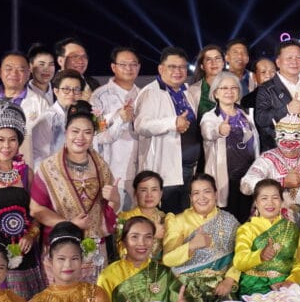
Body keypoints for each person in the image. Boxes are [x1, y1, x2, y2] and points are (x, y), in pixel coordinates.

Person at [0, 100, 52, 298]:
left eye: (12, 140)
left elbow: (37, 212)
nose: (6, 146)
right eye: (0, 140)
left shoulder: (26, 172)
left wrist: (31, 235)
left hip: (25, 254)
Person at [32, 100, 118, 283]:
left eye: (87, 132)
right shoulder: (49, 168)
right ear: (66, 133)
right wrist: (69, 224)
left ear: (94, 135)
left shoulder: (101, 166)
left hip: (94, 249)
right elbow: (36, 209)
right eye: (75, 131)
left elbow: (110, 207)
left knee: (93, 298)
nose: (81, 137)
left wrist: (115, 198)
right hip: (61, 248)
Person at [132, 47, 203, 213]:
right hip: (166, 170)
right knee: (168, 216)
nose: (178, 71)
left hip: (189, 168)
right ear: (161, 69)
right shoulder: (151, 92)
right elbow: (141, 125)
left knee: (185, 216)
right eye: (172, 67)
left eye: (182, 67)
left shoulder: (187, 91)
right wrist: (172, 122)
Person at [161, 174, 240, 302]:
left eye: (207, 192)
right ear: (191, 198)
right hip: (187, 286)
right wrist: (191, 245)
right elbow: (168, 260)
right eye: (196, 193)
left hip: (221, 285)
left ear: (216, 194)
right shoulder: (178, 221)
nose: (202, 197)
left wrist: (229, 280)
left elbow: (240, 255)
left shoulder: (229, 221)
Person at [223, 180, 300, 298]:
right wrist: (259, 256)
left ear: (282, 201)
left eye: (275, 198)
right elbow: (239, 262)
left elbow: (299, 263)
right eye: (264, 198)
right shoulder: (247, 229)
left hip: (284, 288)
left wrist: (291, 281)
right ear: (256, 202)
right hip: (253, 288)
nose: (270, 203)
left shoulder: (291, 228)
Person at [200, 71, 259, 226]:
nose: (229, 91)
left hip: (248, 176)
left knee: (246, 220)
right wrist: (219, 130)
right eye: (224, 88)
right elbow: (207, 132)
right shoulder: (210, 117)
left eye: (234, 88)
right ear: (215, 93)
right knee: (228, 221)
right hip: (226, 179)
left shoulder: (246, 114)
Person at [91, 47, 144, 209]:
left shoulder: (143, 95)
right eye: (123, 64)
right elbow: (96, 134)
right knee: (112, 217)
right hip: (111, 171)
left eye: (133, 64)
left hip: (138, 171)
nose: (129, 68)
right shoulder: (99, 96)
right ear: (113, 67)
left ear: (139, 67)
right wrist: (119, 119)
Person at [241, 114, 300, 224]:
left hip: (295, 219)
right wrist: (282, 182)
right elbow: (245, 186)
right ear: (276, 134)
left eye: (296, 135)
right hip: (265, 219)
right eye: (283, 134)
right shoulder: (267, 159)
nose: (289, 140)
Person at [0, 52, 51, 166]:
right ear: (0, 72)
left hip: (27, 169)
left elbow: (44, 146)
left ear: (28, 73)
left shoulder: (40, 104)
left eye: (20, 69)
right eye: (8, 68)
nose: (14, 73)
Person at [254, 41, 300, 153]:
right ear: (278, 62)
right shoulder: (267, 88)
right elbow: (261, 119)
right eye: (289, 58)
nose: (294, 62)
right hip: (277, 153)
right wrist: (287, 109)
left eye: (298, 57)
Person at [194, 44, 226, 119]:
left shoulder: (234, 86)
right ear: (202, 66)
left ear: (223, 63)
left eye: (217, 58)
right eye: (208, 59)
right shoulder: (193, 91)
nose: (214, 62)